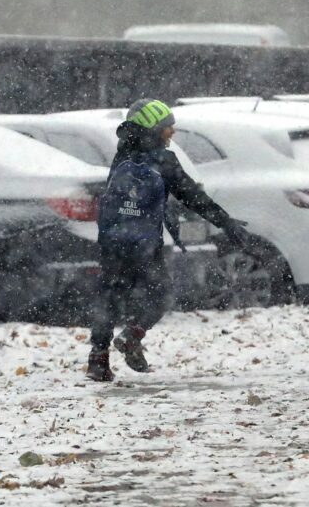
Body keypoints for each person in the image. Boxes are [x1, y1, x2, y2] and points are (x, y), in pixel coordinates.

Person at [87, 98, 259, 382]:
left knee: (109, 296)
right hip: (144, 243)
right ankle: (132, 336)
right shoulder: (163, 160)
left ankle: (97, 359)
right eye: (167, 129)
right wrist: (224, 221)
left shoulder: (122, 155)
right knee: (161, 293)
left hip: (112, 241)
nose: (171, 135)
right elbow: (193, 196)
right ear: (153, 130)